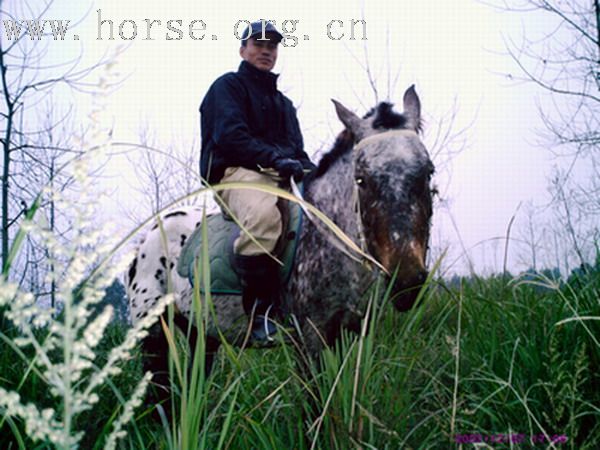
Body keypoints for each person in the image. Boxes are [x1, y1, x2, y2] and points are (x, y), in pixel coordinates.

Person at [199, 21, 315, 345]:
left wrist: (315, 172)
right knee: (263, 219)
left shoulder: (285, 105)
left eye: (273, 46)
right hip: (235, 173)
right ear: (242, 50)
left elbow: (298, 152)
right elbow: (230, 137)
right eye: (258, 44)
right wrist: (276, 159)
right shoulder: (227, 87)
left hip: (280, 175)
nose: (266, 50)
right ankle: (259, 316)